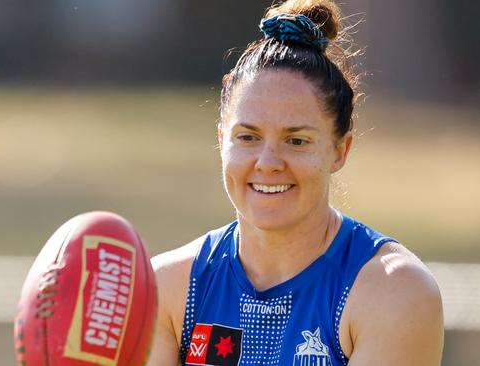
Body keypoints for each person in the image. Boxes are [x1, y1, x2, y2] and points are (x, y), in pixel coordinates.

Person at [147, 0, 444, 365]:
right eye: (248, 137)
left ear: (339, 150)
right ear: (222, 139)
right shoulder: (168, 287)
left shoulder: (394, 291)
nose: (268, 163)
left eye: (297, 141)